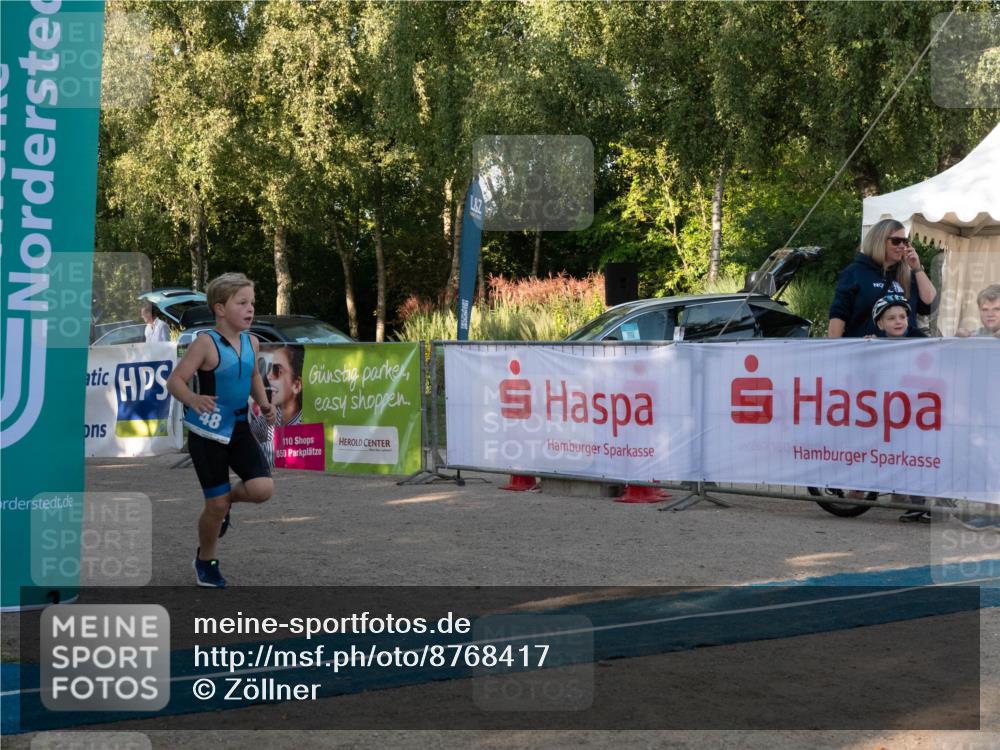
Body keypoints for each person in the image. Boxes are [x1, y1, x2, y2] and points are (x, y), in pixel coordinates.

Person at [166, 273, 276, 588]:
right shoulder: (205, 343)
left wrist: (264, 403)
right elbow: (175, 381)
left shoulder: (252, 341)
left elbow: (253, 374)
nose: (250, 308)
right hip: (207, 433)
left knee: (262, 489)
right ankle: (206, 561)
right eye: (242, 303)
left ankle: (225, 504)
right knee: (213, 505)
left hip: (239, 427)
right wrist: (193, 398)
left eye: (252, 302)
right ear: (220, 308)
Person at [868, 296, 931, 521]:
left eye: (903, 317)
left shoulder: (919, 338)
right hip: (892, 411)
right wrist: (865, 347)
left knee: (919, 454)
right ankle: (913, 501)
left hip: (921, 409)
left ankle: (922, 504)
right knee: (902, 454)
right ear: (880, 323)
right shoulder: (876, 342)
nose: (898, 321)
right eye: (891, 318)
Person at [828, 219, 937, 338]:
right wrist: (834, 351)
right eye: (896, 241)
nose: (902, 246)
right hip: (867, 351)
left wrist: (917, 268)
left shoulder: (906, 274)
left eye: (905, 241)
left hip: (904, 352)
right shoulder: (855, 272)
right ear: (879, 241)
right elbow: (838, 315)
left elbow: (930, 304)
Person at [249, 345, 304, 468]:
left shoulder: (305, 424)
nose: (268, 376)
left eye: (277, 371)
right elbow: (245, 435)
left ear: (296, 385)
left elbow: (281, 455)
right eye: (268, 369)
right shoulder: (274, 415)